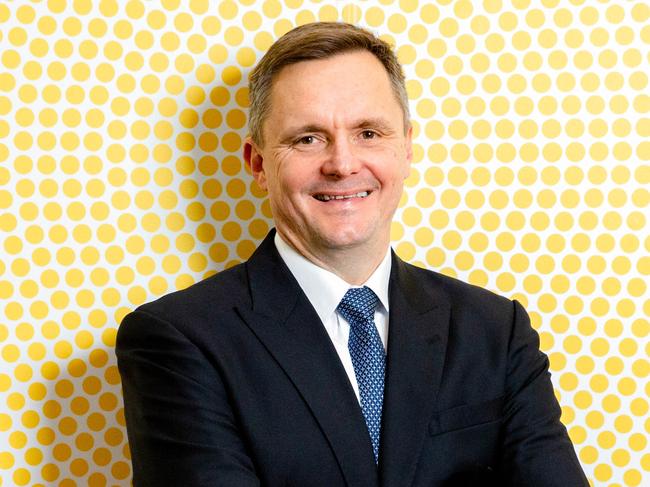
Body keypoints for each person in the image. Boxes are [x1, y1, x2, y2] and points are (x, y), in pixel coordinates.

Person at [116, 22, 588, 486]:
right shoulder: (178, 341)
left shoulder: (494, 331)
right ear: (258, 165)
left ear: (406, 148)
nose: (342, 164)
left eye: (368, 133)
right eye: (307, 138)